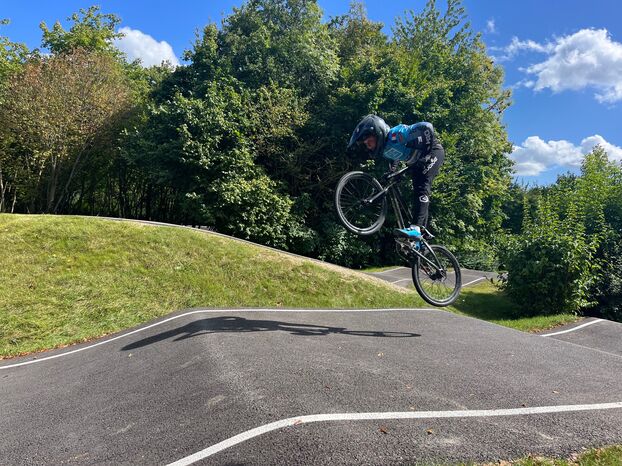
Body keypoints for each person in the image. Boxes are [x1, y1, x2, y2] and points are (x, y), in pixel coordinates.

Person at [347, 114, 445, 240]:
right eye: (365, 144)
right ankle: (421, 232)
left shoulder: (396, 135)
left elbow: (427, 127)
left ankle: (416, 228)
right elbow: (395, 159)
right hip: (416, 162)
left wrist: (426, 154)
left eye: (368, 141)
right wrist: (391, 172)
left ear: (377, 132)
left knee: (422, 186)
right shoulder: (385, 150)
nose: (368, 145)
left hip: (433, 152)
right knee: (416, 191)